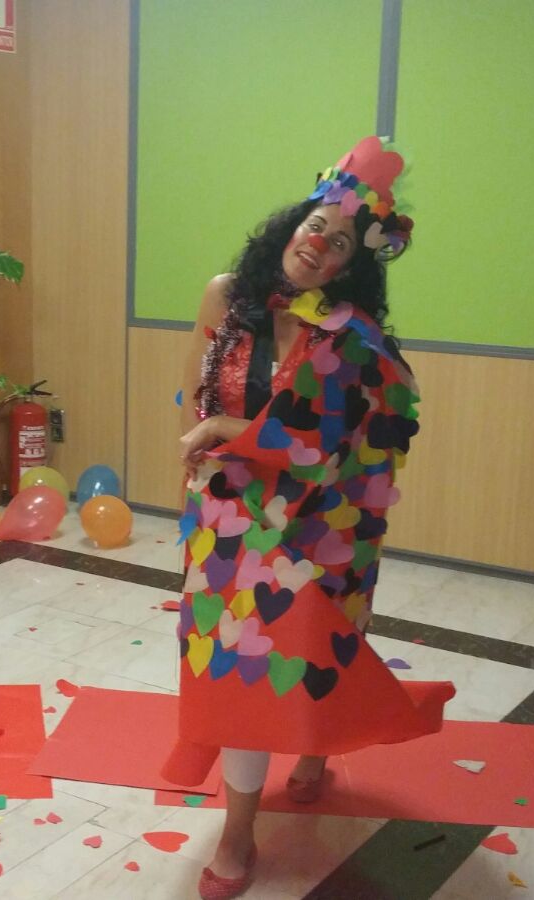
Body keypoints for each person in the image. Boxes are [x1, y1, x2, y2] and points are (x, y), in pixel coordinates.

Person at [164, 137, 454, 900]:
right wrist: (201, 466)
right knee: (240, 667)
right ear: (294, 223)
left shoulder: (350, 338)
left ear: (350, 267)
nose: (319, 244)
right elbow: (196, 394)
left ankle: (316, 748)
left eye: (341, 243)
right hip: (230, 519)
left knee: (318, 646)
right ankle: (237, 832)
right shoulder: (227, 296)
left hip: (321, 522)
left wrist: (225, 431)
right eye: (317, 224)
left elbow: (331, 441)